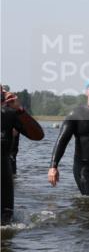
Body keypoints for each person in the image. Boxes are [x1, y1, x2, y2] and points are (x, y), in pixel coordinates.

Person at [2, 87, 44, 224]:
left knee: (5, 222)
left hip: (4, 176)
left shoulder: (9, 115)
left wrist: (19, 110)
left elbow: (37, 135)